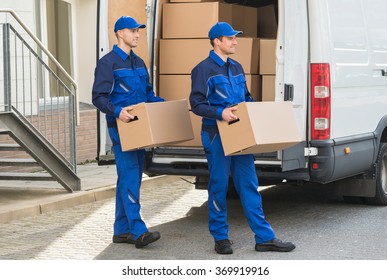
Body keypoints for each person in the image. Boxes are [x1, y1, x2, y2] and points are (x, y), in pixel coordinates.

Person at [189, 22, 296, 254]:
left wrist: (256, 112)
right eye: (231, 38)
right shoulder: (203, 69)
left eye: (235, 38)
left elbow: (246, 96)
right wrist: (220, 113)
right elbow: (196, 104)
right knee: (218, 185)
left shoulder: (236, 67)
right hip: (216, 134)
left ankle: (264, 237)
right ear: (217, 41)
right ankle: (220, 237)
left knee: (249, 184)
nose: (235, 41)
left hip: (240, 135)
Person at [92, 16, 164, 248]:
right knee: (131, 174)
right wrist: (117, 111)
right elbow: (99, 97)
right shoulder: (108, 63)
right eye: (133, 31)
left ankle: (121, 230)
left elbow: (147, 94)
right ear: (120, 33)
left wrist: (164, 105)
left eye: (138, 31)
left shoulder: (140, 63)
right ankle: (138, 229)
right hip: (121, 127)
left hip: (140, 128)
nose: (137, 34)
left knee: (129, 176)